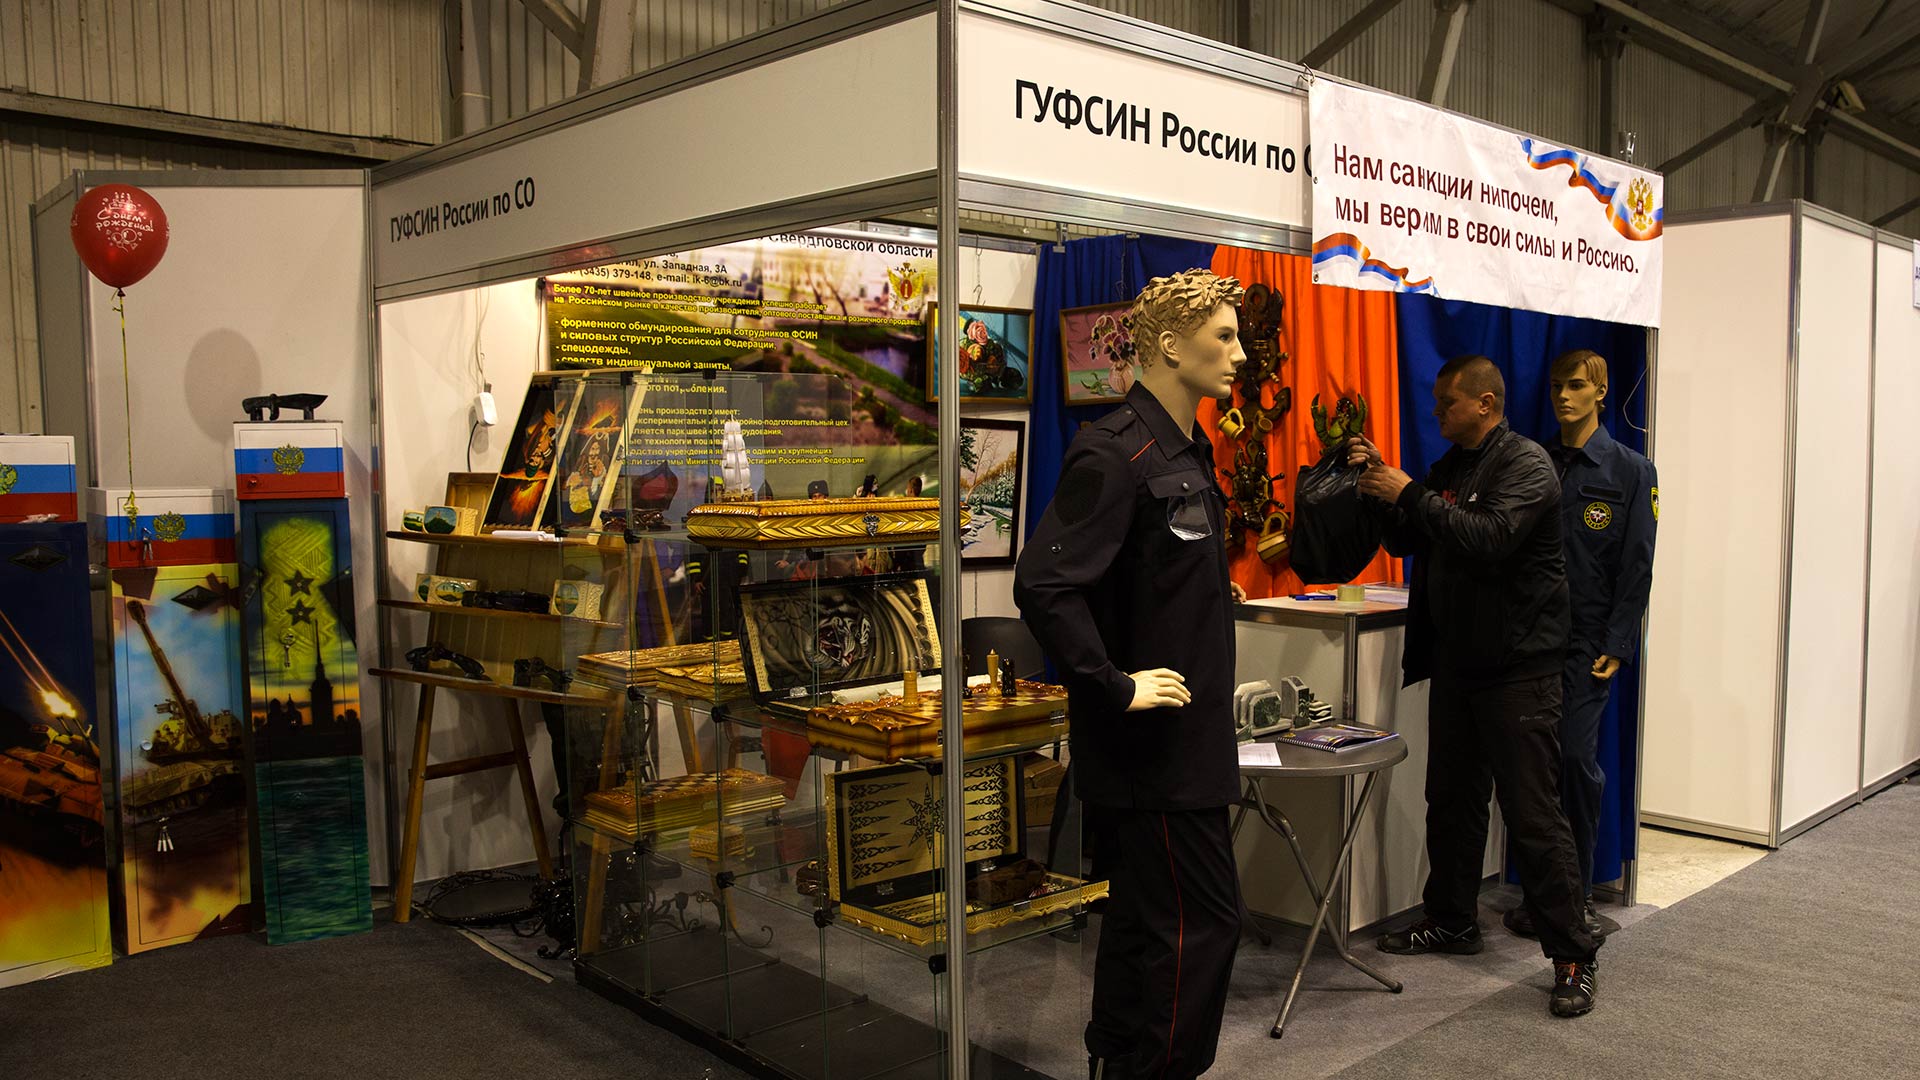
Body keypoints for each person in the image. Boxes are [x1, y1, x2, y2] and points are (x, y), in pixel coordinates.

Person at [1015, 269, 1250, 1079]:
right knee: (1201, 927)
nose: (1239, 354)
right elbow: (1045, 583)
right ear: (1171, 346)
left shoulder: (1188, 451)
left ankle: (1117, 1064)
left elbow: (1145, 572)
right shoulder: (1116, 451)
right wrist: (1114, 683)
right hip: (1154, 756)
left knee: (1145, 925)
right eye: (1224, 336)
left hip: (1186, 744)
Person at [1348, 355, 1602, 1019]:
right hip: (1460, 663)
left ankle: (1573, 955)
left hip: (1520, 669)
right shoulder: (1453, 467)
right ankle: (1452, 919)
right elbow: (1412, 536)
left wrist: (1408, 493)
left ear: (1485, 403)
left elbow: (1488, 537)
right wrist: (1378, 483)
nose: (1437, 413)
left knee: (1533, 815)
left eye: (1448, 404)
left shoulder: (1526, 465)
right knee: (1452, 801)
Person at [1504, 350, 1658, 939]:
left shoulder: (1630, 470)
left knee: (1573, 761)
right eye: (1556, 386)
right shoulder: (1534, 461)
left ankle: (1579, 896)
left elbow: (1636, 565)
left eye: (1575, 386)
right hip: (1529, 640)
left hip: (1587, 643)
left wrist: (1619, 641)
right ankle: (1542, 896)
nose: (1563, 396)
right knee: (1532, 771)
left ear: (1601, 391)